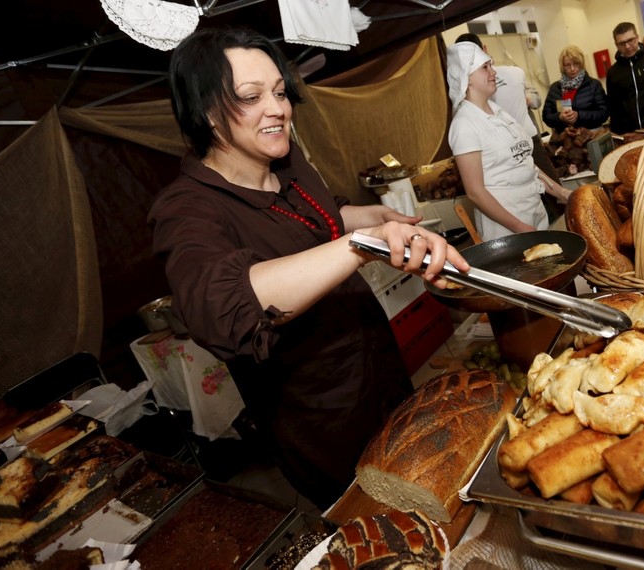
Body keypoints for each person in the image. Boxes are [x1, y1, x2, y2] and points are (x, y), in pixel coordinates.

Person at [148, 28, 470, 509]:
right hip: (325, 421)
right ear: (208, 111)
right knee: (380, 527)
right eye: (251, 97)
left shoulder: (287, 161)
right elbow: (224, 305)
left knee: (431, 488)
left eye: (279, 93)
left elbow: (318, 218)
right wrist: (362, 243)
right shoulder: (186, 209)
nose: (277, 109)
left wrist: (370, 217)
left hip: (380, 373)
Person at [446, 41, 571, 241]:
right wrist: (519, 227)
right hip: (506, 228)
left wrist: (563, 193)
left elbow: (525, 163)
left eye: (491, 65)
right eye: (485, 67)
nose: (493, 72)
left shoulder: (500, 112)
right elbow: (475, 192)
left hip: (534, 211)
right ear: (466, 78)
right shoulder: (464, 125)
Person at [541, 45, 608, 134]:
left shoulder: (593, 85)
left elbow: (604, 113)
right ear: (562, 67)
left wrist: (579, 115)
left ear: (581, 64)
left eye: (576, 64)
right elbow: (546, 116)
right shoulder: (555, 88)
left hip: (592, 135)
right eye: (567, 65)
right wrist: (560, 117)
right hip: (566, 137)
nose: (572, 69)